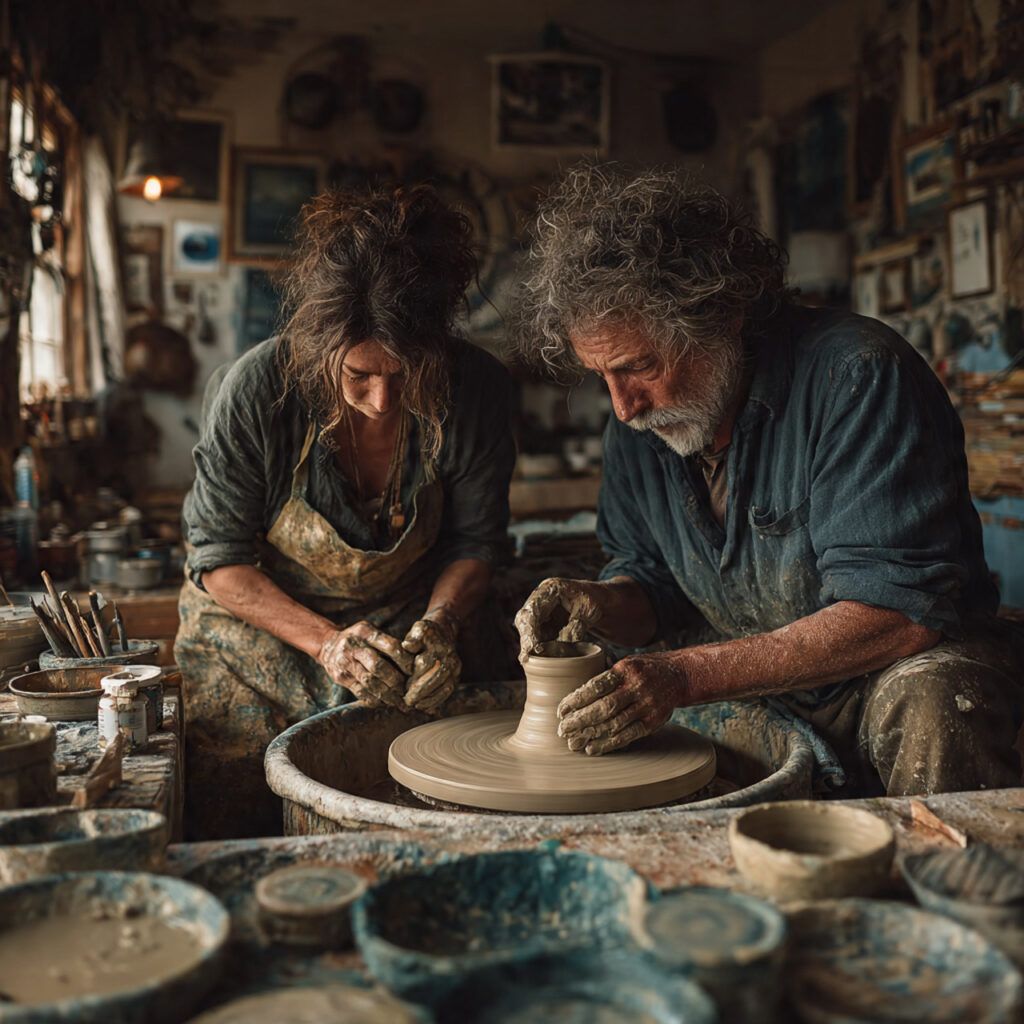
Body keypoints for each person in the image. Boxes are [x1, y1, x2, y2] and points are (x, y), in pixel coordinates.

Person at [510, 163, 1023, 798]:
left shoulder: (857, 376)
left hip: (882, 679)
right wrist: (600, 602)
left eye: (638, 366)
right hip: (756, 680)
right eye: (601, 376)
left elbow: (899, 615)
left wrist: (684, 676)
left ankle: (948, 889)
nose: (622, 407)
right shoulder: (640, 431)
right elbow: (655, 589)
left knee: (938, 698)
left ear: (721, 315)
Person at [175, 184, 516, 839]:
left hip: (405, 617)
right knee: (238, 791)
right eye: (359, 374)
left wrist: (441, 623)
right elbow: (217, 559)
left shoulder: (475, 388)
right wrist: (328, 644)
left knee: (431, 781)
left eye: (405, 373)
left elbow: (477, 544)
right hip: (259, 624)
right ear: (320, 347)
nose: (384, 400)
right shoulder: (258, 390)